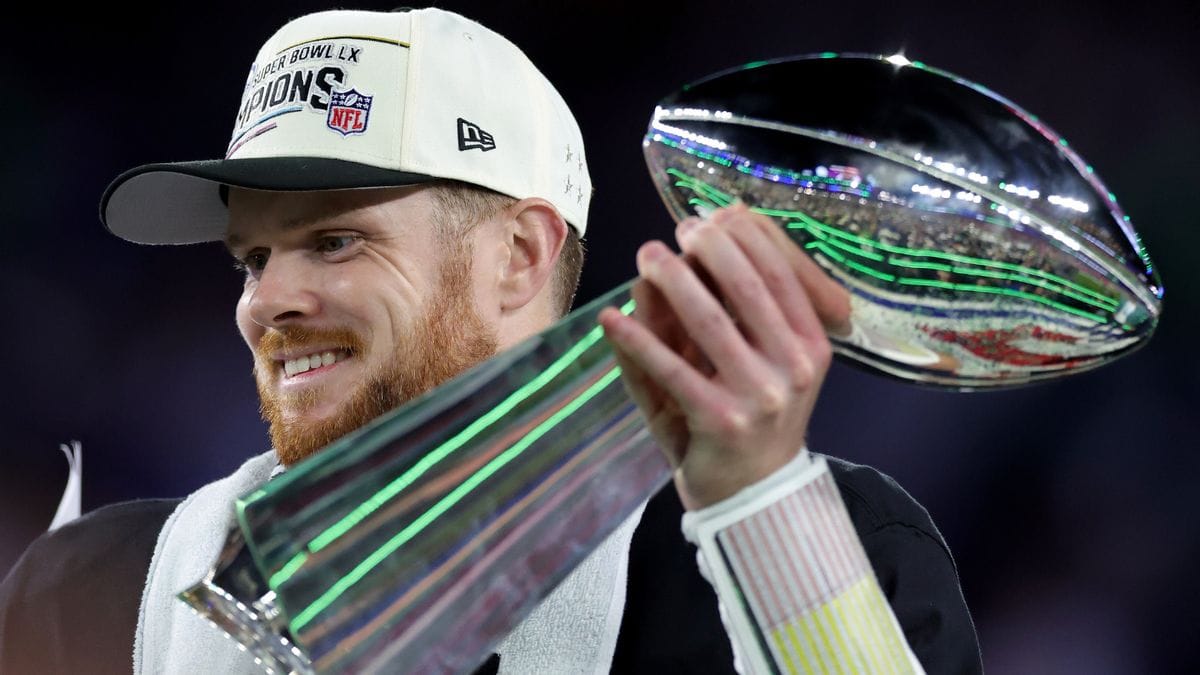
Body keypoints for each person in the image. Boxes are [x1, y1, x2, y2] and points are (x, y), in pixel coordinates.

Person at [0, 7, 981, 674]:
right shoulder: (99, 587)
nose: (269, 303)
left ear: (519, 252)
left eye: (335, 239)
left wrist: (766, 508)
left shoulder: (825, 549)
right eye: (253, 257)